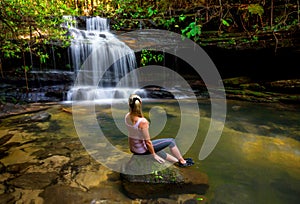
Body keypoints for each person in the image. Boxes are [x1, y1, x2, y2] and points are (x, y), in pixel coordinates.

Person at [124, 94, 194, 167]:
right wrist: (154, 155)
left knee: (159, 149)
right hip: (142, 150)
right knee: (171, 141)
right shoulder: (142, 122)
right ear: (140, 103)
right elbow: (148, 142)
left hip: (133, 148)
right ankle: (182, 161)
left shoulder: (127, 116)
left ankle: (177, 162)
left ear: (129, 104)